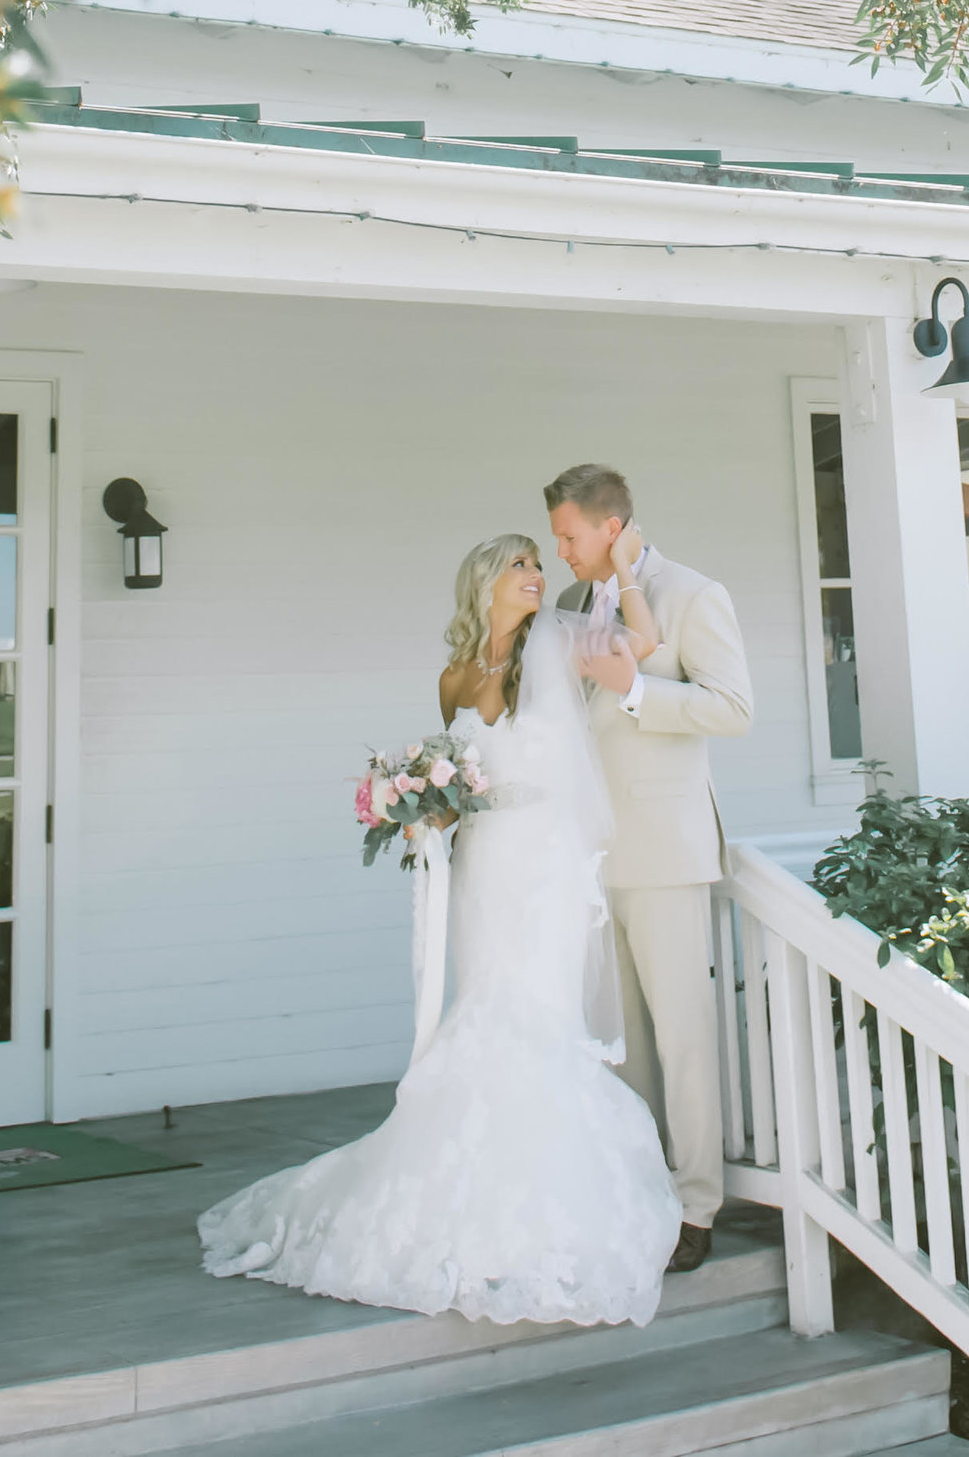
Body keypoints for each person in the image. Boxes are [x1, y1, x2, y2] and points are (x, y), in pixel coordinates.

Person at [197, 534, 682, 1325]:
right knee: (485, 1001)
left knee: (540, 1014)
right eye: (522, 565)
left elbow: (646, 642)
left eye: (539, 563)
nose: (537, 575)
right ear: (487, 582)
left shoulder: (561, 638)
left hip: (551, 862)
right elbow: (464, 780)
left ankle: (548, 1203)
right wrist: (419, 810)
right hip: (486, 864)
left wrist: (625, 563)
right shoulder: (455, 676)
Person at [545, 464, 753, 1274]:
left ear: (610, 526)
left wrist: (637, 693)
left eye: (569, 536)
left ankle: (697, 1205)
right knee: (619, 1045)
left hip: (665, 853)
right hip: (591, 857)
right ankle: (637, 1190)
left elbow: (733, 709)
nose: (561, 552)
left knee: (683, 1039)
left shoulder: (694, 595)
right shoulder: (570, 608)